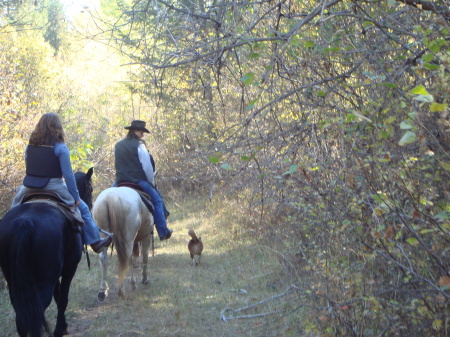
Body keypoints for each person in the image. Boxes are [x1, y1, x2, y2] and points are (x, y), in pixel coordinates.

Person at [11, 113, 113, 253]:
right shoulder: (60, 148)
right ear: (57, 127)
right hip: (54, 186)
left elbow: (29, 167)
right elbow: (68, 176)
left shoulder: (29, 147)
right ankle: (95, 242)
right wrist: (76, 197)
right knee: (83, 208)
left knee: (14, 209)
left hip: (29, 187)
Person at [114, 120, 173, 241]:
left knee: (104, 199)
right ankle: (163, 231)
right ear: (135, 131)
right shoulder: (139, 146)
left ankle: (102, 233)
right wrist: (151, 182)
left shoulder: (118, 145)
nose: (142, 135)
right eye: (141, 132)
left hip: (119, 182)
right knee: (156, 200)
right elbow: (147, 167)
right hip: (138, 181)